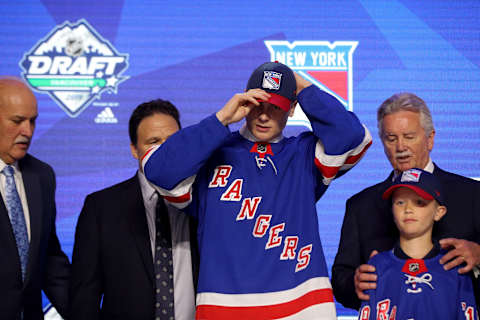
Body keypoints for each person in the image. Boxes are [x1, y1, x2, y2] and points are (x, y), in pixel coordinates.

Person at [142, 61, 372, 319]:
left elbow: (354, 135)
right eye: (258, 104)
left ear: (292, 108)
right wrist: (221, 120)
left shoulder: (304, 154)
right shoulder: (211, 153)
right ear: (245, 101)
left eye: (275, 107)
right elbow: (157, 170)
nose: (264, 116)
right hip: (225, 307)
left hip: (303, 306)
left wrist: (303, 87)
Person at [332, 92, 480, 310]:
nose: (400, 147)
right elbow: (341, 280)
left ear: (430, 139)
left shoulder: (472, 195)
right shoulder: (361, 205)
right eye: (391, 139)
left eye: (409, 137)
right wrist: (354, 283)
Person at [70, 99, 199, 320]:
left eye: (172, 140)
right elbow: (84, 296)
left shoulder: (206, 199)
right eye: (153, 141)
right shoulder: (101, 208)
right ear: (134, 149)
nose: (164, 149)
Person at [358, 168, 477, 319]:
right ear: (391, 211)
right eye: (400, 202)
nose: (408, 209)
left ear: (439, 212)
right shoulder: (377, 266)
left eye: (419, 202)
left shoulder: (454, 266)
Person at [0, 77, 70, 319]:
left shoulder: (42, 176)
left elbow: (49, 259)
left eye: (33, 121)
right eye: (17, 121)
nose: (27, 131)